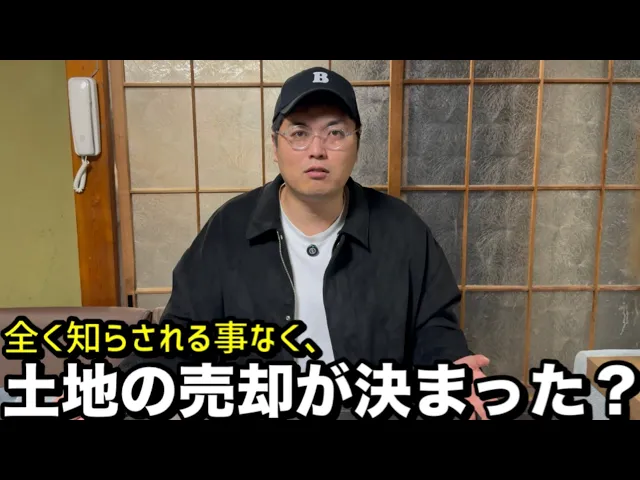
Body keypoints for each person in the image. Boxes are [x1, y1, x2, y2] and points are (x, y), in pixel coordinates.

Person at [38, 66, 491, 420]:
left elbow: (433, 325)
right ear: (276, 145)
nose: (317, 149)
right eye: (299, 132)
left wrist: (452, 373)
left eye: (335, 132)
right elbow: (181, 336)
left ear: (356, 143)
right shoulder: (229, 229)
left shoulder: (400, 229)